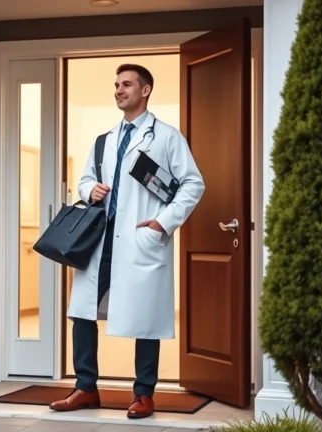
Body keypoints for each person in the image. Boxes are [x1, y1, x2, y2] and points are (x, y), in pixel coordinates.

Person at [49, 64, 205, 419]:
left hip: (139, 239)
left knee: (144, 315)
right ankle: (86, 387)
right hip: (100, 240)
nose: (119, 90)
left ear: (145, 90)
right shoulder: (104, 139)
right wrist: (91, 189)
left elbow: (192, 184)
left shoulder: (165, 137)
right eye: (116, 84)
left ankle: (144, 394)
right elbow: (85, 179)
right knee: (83, 311)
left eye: (127, 84)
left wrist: (161, 223)